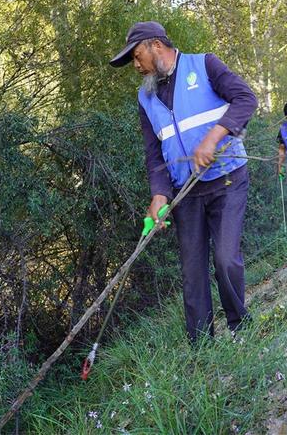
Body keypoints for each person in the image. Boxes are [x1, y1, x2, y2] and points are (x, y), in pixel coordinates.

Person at [110, 21, 257, 342]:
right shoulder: (145, 99)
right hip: (186, 193)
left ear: (155, 46)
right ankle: (201, 346)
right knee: (192, 272)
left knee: (225, 258)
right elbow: (154, 153)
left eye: (137, 56)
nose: (136, 66)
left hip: (227, 177)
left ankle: (240, 328)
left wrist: (213, 138)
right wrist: (159, 196)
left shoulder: (204, 65)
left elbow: (246, 99)